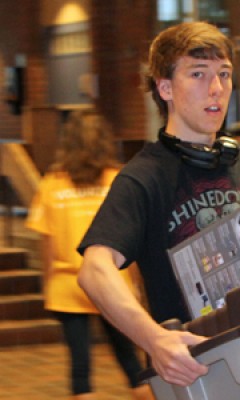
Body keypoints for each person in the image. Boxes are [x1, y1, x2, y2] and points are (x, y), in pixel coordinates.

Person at [77, 21, 240, 387]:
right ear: (165, 87)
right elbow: (95, 270)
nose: (217, 88)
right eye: (198, 74)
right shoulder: (143, 177)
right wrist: (153, 339)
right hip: (198, 368)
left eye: (224, 74)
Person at [25, 110, 154, 400]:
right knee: (133, 364)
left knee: (80, 370)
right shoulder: (119, 181)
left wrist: (48, 285)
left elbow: (46, 244)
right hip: (112, 281)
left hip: (66, 285)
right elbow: (130, 240)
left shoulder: (52, 184)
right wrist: (136, 286)